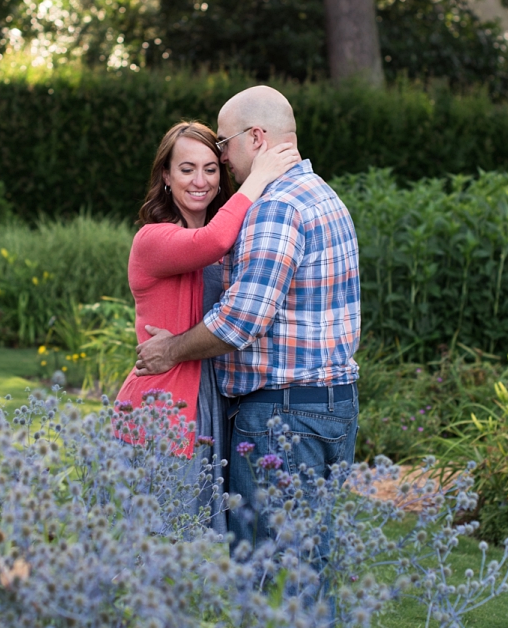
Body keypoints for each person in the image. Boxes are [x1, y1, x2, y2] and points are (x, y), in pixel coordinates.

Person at [132, 85, 362, 551]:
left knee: (267, 573)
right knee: (304, 567)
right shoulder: (323, 195)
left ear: (255, 138)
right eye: (189, 167)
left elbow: (240, 320)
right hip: (328, 406)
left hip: (283, 413)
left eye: (220, 148)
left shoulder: (275, 206)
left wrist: (170, 349)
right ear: (166, 178)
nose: (221, 159)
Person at [115, 121, 299, 530]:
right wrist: (261, 176)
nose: (201, 181)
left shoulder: (230, 237)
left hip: (211, 402)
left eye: (211, 169)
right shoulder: (153, 239)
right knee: (160, 544)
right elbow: (210, 242)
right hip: (163, 405)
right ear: (165, 175)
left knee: (200, 546)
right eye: (186, 169)